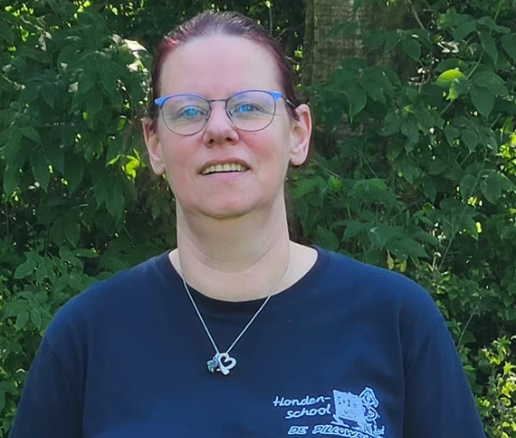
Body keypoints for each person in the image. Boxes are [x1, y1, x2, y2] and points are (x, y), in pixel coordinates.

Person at [10, 10, 486, 438]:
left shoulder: (396, 321)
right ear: (154, 144)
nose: (219, 129)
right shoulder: (87, 337)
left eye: (250, 106)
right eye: (189, 111)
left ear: (298, 133)